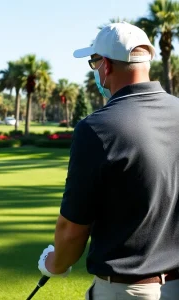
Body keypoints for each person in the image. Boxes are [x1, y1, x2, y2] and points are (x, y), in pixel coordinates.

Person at [37, 22, 179, 299]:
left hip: (128, 291)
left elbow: (71, 231)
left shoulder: (98, 128)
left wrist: (53, 264)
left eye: (94, 62)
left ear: (106, 67)